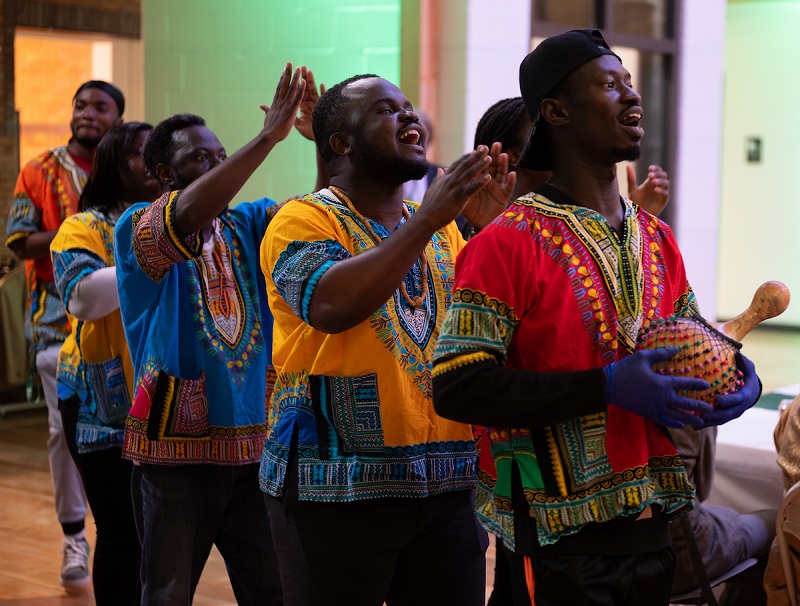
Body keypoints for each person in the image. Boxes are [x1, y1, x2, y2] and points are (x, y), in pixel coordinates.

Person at [431, 28, 761, 606]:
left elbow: (690, 338)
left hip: (654, 522)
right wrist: (604, 387)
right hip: (554, 534)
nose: (632, 97)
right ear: (556, 110)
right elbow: (457, 385)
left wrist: (736, 372)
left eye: (631, 84)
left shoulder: (657, 239)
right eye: (610, 85)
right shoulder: (507, 243)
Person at [259, 73, 514, 606]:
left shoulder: (441, 229)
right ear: (340, 144)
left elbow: (490, 325)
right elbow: (331, 305)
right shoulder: (301, 221)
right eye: (385, 110)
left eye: (408, 107)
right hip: (334, 490)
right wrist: (427, 220)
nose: (409, 117)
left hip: (446, 484)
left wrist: (494, 229)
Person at [471, 95, 674, 606]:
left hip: (642, 512)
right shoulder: (501, 240)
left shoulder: (645, 237)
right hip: (542, 500)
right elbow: (466, 381)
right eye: (528, 155)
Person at [113, 63, 305, 604]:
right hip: (175, 451)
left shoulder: (249, 223)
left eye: (222, 156)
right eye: (202, 158)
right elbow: (188, 213)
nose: (220, 166)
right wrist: (268, 138)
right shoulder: (139, 226)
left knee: (272, 589)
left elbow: (318, 216)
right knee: (167, 592)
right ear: (164, 177)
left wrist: (318, 143)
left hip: (254, 445)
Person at [4, 79, 124, 592]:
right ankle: (74, 534)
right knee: (64, 429)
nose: (87, 114)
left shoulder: (127, 168)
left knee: (119, 423)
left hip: (120, 321)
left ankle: (123, 530)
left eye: (100, 107)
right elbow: (18, 241)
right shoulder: (39, 170)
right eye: (80, 104)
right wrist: (87, 228)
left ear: (118, 119)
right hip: (55, 317)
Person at [49, 121, 162, 604]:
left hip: (166, 397)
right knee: (122, 534)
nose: (157, 161)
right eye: (142, 153)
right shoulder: (85, 227)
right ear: (115, 163)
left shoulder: (180, 221)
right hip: (102, 400)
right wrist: (158, 249)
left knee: (161, 536)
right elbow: (82, 298)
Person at [669, 425, 774, 605]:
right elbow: (702, 487)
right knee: (776, 526)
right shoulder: (690, 405)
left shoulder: (610, 402)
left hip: (613, 562)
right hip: (677, 557)